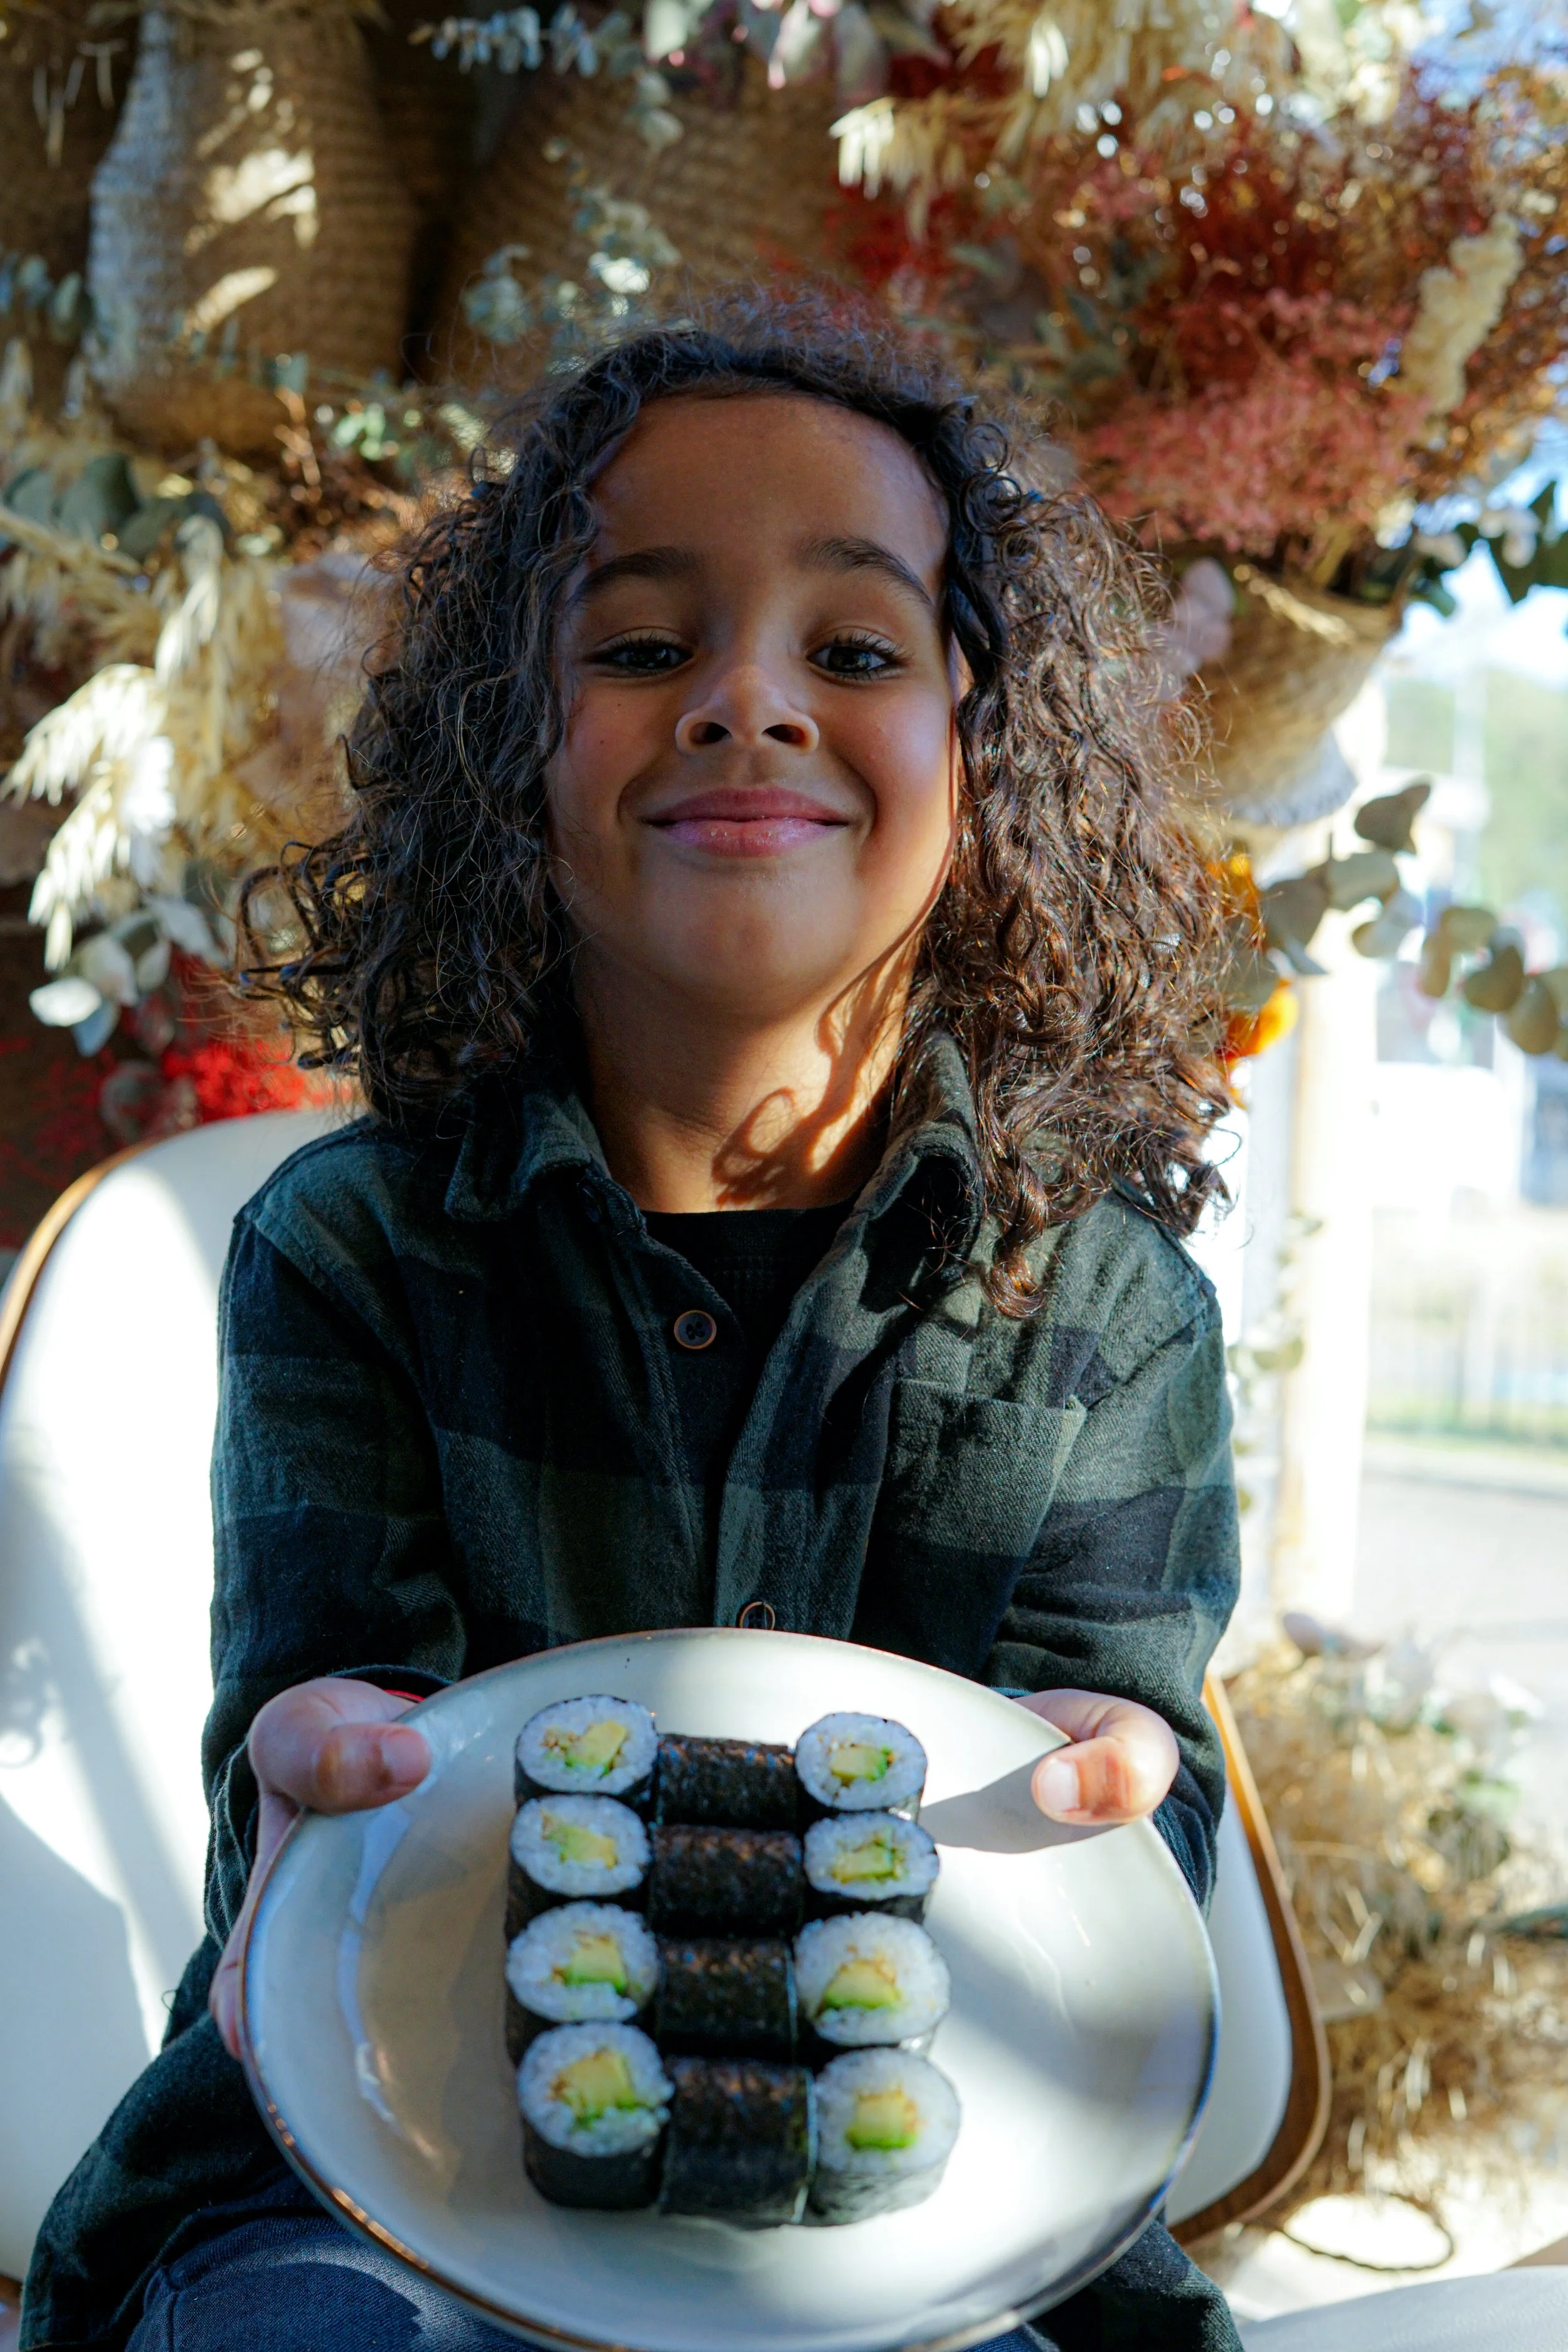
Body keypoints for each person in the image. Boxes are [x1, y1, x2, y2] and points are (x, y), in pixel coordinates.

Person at [21, 298, 1242, 2352]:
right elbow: (318, 1738)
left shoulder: (1111, 1306)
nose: (746, 700)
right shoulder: (350, 1247)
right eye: (643, 644)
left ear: (982, 733)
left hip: (924, 2220)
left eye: (850, 651)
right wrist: (308, 1761)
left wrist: (1114, 1783)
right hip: (357, 2159)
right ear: (515, 747)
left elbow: (1138, 1817)